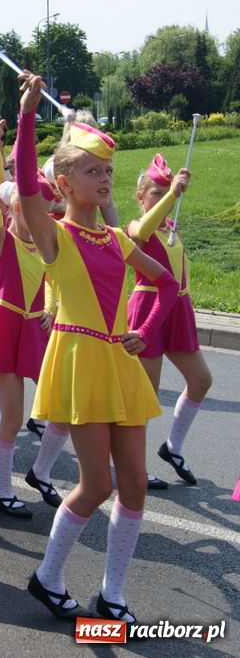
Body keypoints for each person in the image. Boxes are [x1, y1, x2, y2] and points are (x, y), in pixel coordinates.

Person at [16, 73, 178, 626]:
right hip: (80, 359)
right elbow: (26, 185)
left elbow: (167, 285)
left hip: (120, 361)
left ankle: (112, 595)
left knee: (134, 484)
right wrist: (27, 116)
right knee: (98, 484)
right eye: (93, 171)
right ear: (64, 182)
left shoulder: (116, 238)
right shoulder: (54, 235)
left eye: (108, 171)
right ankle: (49, 576)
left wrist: (146, 330)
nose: (105, 179)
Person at [0, 171, 55, 518]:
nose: (44, 217)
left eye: (47, 211)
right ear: (17, 208)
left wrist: (50, 309)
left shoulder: (44, 244)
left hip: (34, 330)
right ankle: (3, 492)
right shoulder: (4, 240)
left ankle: (41, 471)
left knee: (60, 404)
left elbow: (52, 280)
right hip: (7, 329)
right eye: (36, 210)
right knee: (14, 418)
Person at [126, 153, 211, 487]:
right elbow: (143, 230)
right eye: (155, 194)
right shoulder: (136, 228)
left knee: (201, 380)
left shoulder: (170, 227)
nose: (163, 200)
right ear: (140, 197)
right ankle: (136, 467)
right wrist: (173, 194)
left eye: (166, 193)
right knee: (147, 395)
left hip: (178, 309)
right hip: (149, 306)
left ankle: (173, 448)